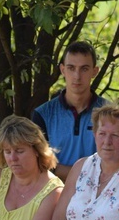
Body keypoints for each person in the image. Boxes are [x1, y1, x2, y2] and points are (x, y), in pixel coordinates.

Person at [31, 40, 108, 182]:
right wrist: (86, 175)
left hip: (100, 196)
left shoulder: (109, 113)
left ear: (94, 72)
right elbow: (37, 164)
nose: (77, 76)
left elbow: (115, 163)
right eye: (71, 68)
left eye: (84, 69)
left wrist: (60, 169)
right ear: (62, 70)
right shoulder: (43, 114)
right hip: (54, 195)